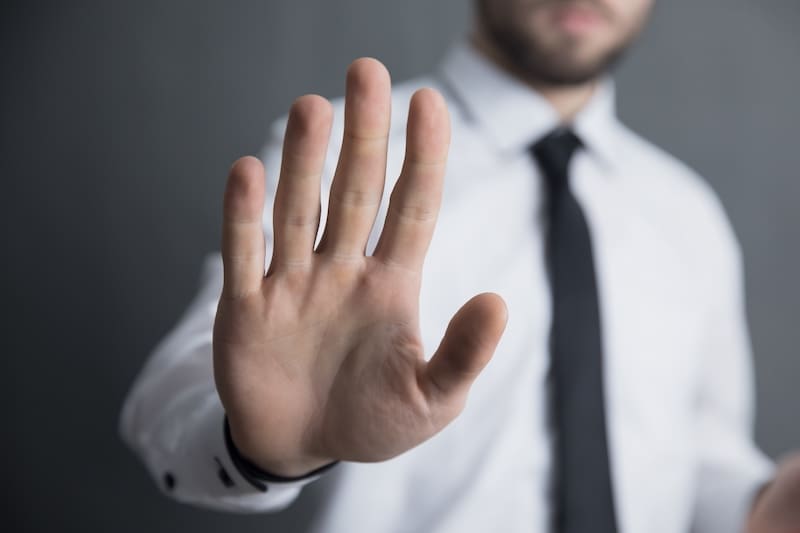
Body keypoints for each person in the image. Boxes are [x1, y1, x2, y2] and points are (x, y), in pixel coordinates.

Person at [119, 0, 800, 531]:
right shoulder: (331, 162)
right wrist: (263, 447)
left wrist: (764, 504)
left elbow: (697, 453)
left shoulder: (687, 216)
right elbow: (166, 402)